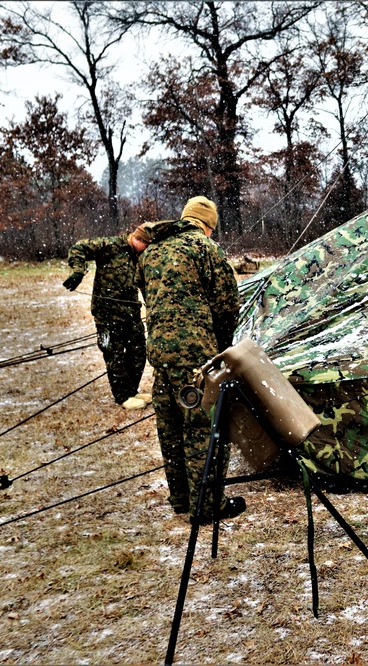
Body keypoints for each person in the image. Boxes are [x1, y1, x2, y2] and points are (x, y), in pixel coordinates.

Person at [138, 196, 243, 522]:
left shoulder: (153, 250)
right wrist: (221, 348)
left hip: (160, 356)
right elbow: (227, 305)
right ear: (208, 226)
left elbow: (147, 294)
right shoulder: (206, 249)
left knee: (169, 428)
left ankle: (181, 498)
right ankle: (209, 505)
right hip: (195, 358)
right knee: (203, 428)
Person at [64, 225, 156, 409]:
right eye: (146, 245)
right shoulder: (110, 245)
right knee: (114, 354)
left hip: (131, 312)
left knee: (138, 352)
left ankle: (132, 391)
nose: (147, 250)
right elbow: (78, 248)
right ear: (138, 240)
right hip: (107, 313)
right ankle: (122, 396)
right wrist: (78, 271)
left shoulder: (140, 256)